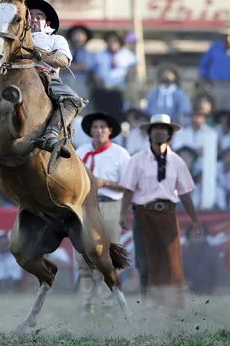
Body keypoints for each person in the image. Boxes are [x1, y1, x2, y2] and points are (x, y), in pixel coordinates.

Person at [0, 0, 87, 160]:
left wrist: (40, 55)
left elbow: (63, 60)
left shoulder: (55, 39)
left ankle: (51, 135)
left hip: (46, 79)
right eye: (32, 15)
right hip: (12, 78)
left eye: (39, 16)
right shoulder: (16, 37)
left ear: (47, 23)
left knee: (72, 100)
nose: (35, 19)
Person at [119, 113, 203, 307]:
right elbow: (128, 189)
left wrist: (196, 220)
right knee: (145, 260)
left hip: (168, 214)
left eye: (163, 129)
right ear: (149, 133)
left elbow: (184, 193)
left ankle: (171, 306)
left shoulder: (177, 161)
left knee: (171, 261)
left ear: (169, 135)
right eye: (155, 129)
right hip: (143, 213)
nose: (159, 132)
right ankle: (149, 303)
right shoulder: (137, 160)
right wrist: (123, 213)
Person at [74, 112, 131, 317]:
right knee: (82, 257)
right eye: (95, 127)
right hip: (84, 208)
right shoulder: (80, 152)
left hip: (109, 205)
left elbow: (129, 185)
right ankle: (87, 305)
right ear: (90, 130)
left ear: (110, 131)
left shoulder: (120, 154)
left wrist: (105, 183)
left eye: (102, 127)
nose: (98, 131)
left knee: (109, 256)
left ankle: (109, 305)